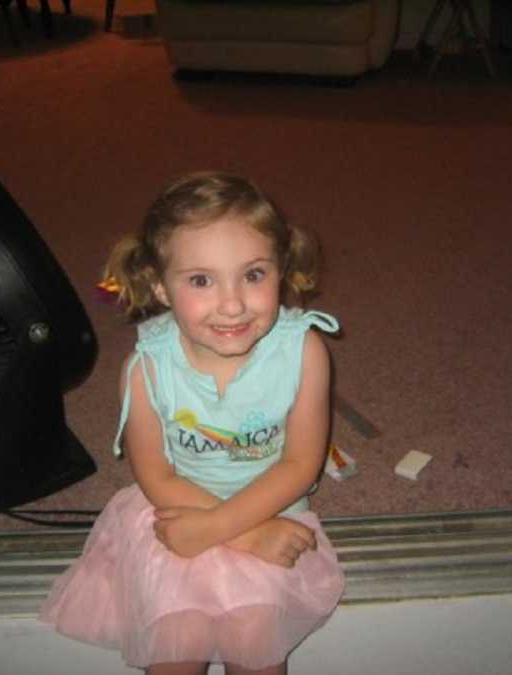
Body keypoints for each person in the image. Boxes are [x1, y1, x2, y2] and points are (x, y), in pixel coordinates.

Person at [39, 171, 345, 675]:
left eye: (253, 275)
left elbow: (300, 465)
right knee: (174, 655)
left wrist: (224, 527)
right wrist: (244, 535)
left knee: (258, 652)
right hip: (176, 512)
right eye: (201, 280)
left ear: (282, 269)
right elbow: (157, 477)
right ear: (160, 285)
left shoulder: (304, 350)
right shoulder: (147, 367)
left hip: (272, 507)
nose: (232, 303)